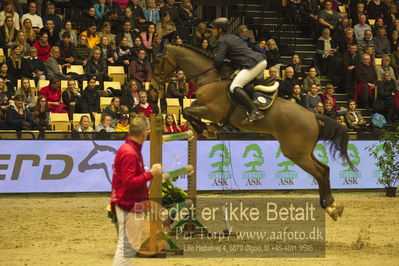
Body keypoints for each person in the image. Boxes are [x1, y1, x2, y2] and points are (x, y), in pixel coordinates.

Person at [110, 114, 162, 266]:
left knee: (129, 246)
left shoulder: (130, 150)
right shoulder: (129, 152)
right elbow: (129, 182)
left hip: (130, 202)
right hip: (128, 203)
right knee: (126, 247)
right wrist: (150, 174)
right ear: (144, 134)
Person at [211, 17, 266, 124]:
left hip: (253, 64)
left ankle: (254, 111)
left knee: (234, 87)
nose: (212, 31)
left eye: (213, 29)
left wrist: (215, 68)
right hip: (258, 61)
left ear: (220, 30)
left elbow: (218, 61)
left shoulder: (222, 40)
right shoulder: (232, 37)